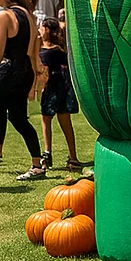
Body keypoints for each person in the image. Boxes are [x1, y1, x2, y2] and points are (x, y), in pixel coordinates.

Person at [0, 0, 45, 178]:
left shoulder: (2, 17)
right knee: (18, 118)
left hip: (7, 71)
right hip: (24, 73)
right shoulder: (27, 15)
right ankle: (37, 164)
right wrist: (34, 80)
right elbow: (32, 52)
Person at [36, 18, 85, 172]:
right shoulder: (59, 49)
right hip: (62, 87)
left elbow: (43, 69)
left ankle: (48, 153)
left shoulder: (47, 50)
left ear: (47, 30)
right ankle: (72, 157)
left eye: (41, 27)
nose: (39, 30)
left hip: (52, 87)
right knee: (64, 122)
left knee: (46, 121)